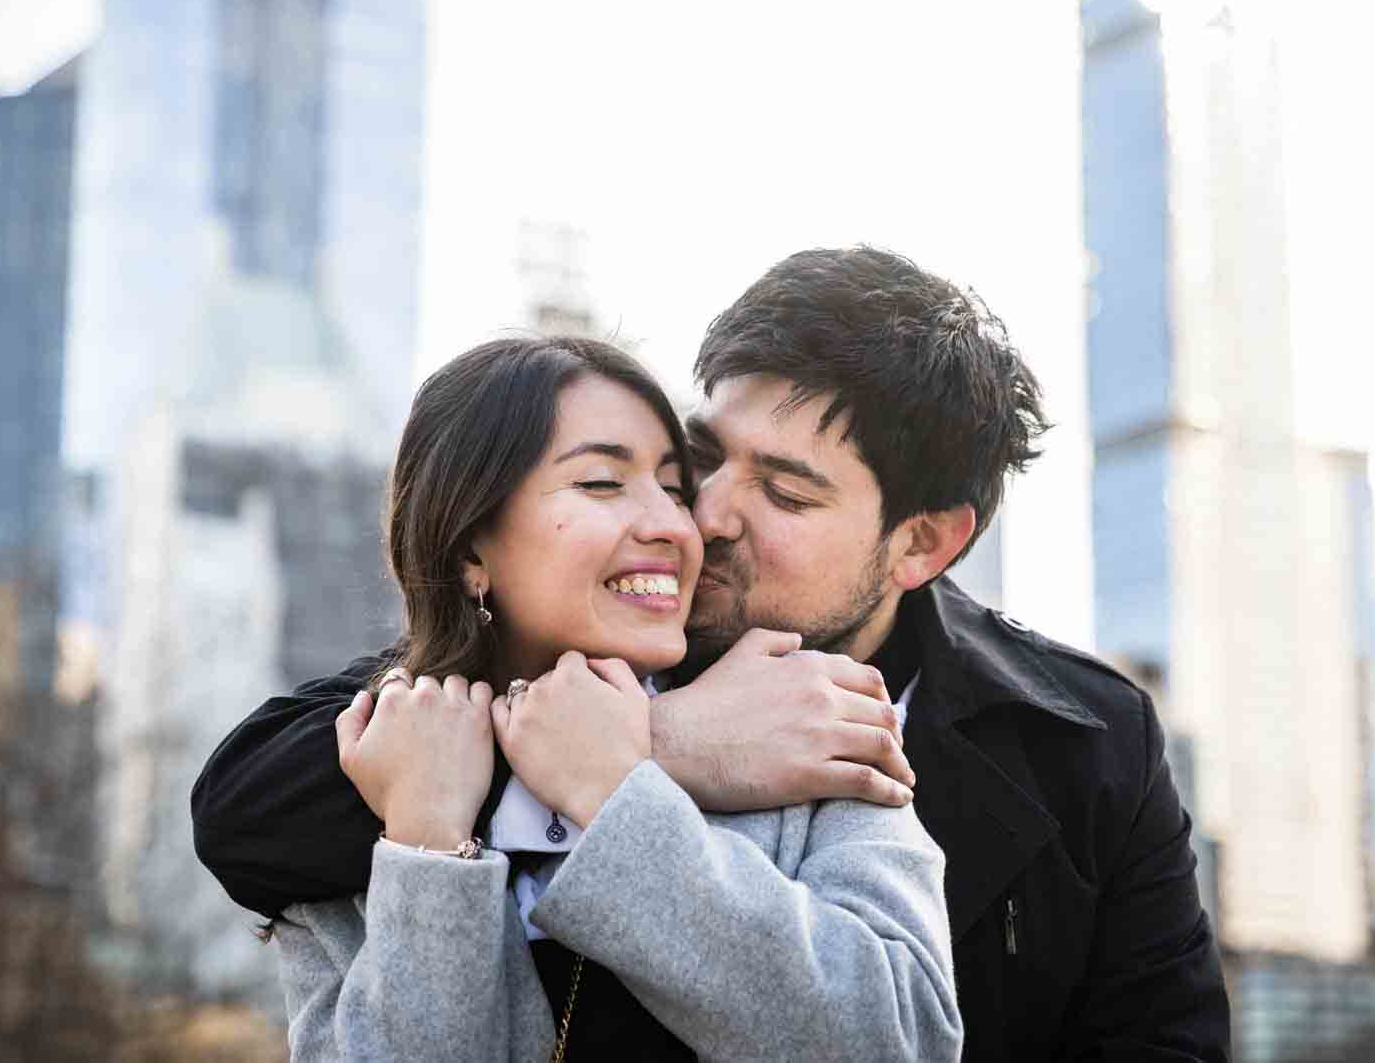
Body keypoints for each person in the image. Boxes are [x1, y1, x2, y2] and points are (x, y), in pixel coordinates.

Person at [194, 247, 1230, 1061]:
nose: (704, 515)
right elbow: (246, 808)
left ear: (922, 541)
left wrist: (621, 765)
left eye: (783, 491)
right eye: (703, 457)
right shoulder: (564, 643)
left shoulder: (1084, 742)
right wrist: (661, 740)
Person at [265, 335, 962, 1060]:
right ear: (472, 548)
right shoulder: (366, 789)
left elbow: (901, 1039)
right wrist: (430, 845)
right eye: (601, 483)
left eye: (673, 486)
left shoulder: (799, 728)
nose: (675, 525)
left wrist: (620, 795)